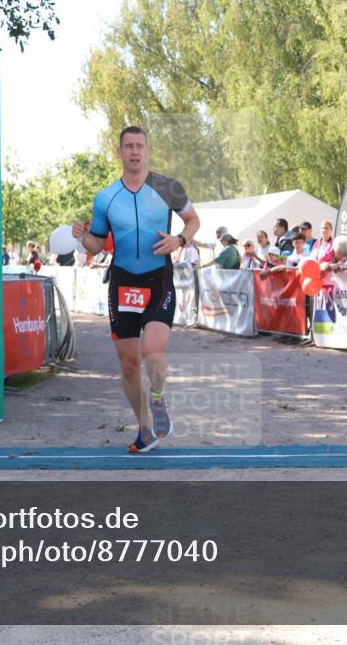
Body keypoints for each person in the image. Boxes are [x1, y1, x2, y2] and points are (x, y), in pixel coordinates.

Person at [72, 125, 201, 454]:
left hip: (158, 280)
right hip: (123, 283)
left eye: (139, 145)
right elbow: (97, 243)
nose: (134, 151)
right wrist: (80, 236)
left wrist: (179, 240)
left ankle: (158, 398)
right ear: (119, 152)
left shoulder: (167, 187)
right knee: (128, 364)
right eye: (128, 146)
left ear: (147, 150)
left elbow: (193, 220)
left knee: (153, 352)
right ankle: (145, 427)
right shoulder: (105, 197)